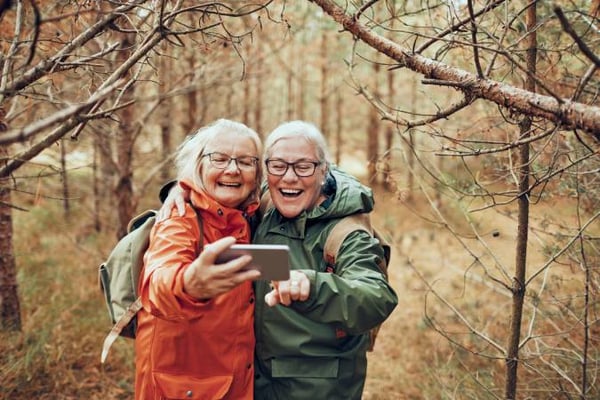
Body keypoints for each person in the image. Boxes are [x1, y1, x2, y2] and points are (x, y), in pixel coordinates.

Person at [162, 120, 398, 399]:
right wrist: (181, 190)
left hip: (317, 389)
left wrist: (312, 286)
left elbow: (376, 297)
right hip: (255, 382)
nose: (289, 177)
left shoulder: (346, 232)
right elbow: (219, 185)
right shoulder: (264, 204)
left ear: (324, 170)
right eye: (278, 166)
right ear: (266, 170)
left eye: (303, 166)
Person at [135, 119, 263, 400]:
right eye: (219, 159)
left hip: (232, 382)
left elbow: (313, 170)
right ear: (199, 165)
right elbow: (158, 281)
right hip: (181, 388)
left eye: (245, 161)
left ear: (257, 173)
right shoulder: (179, 218)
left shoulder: (252, 216)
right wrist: (188, 285)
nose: (232, 169)